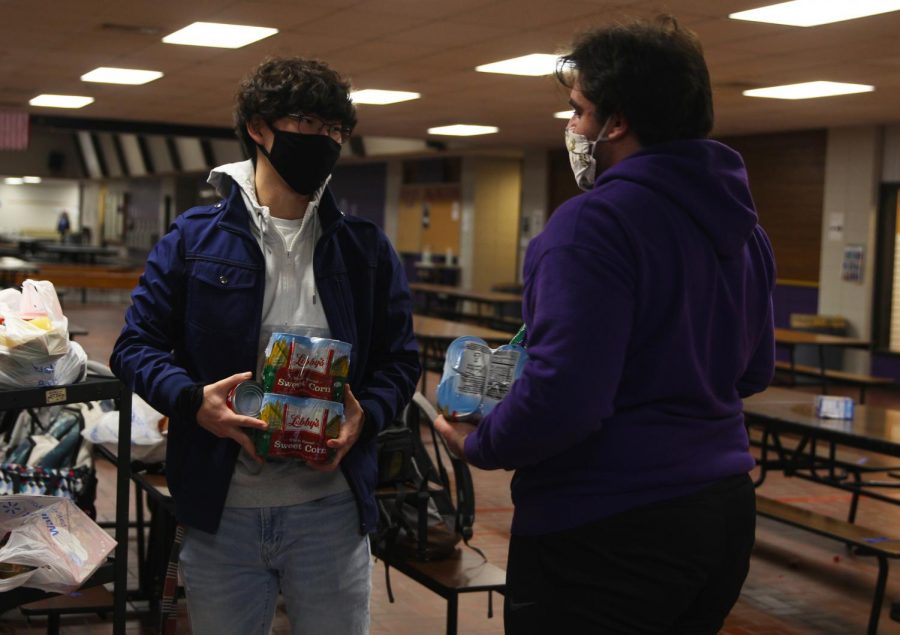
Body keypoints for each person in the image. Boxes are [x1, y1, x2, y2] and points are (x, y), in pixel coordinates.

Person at [436, 17, 775, 635]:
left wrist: (481, 445)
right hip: (722, 514)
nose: (572, 127)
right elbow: (753, 371)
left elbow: (564, 396)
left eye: (579, 110)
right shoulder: (745, 229)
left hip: (608, 525)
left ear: (615, 122)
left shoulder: (591, 224)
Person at [110, 57, 420, 634]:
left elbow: (402, 361)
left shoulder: (365, 250)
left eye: (336, 130)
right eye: (307, 121)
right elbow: (133, 347)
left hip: (329, 513)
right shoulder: (192, 239)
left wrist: (368, 418)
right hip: (221, 511)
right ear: (258, 126)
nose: (324, 140)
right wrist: (191, 400)